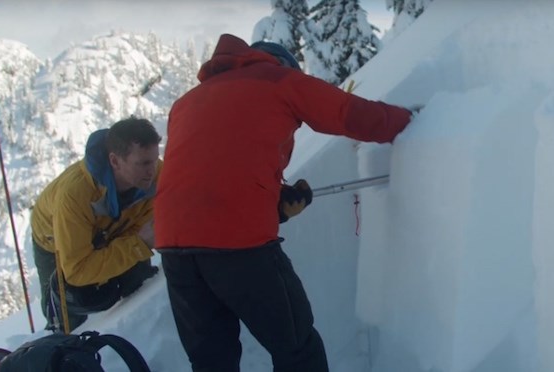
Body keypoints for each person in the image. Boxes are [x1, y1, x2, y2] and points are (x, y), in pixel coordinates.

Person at [155, 34, 414, 372]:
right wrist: (408, 121)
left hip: (174, 245)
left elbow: (213, 169)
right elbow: (349, 114)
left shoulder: (186, 102)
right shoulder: (278, 80)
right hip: (238, 244)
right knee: (296, 348)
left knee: (211, 358)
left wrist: (275, 205)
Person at [31, 117, 163, 332]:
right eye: (143, 163)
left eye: (154, 160)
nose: (152, 170)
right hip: (54, 241)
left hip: (117, 229)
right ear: (115, 161)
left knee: (138, 283)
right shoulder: (75, 195)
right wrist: (139, 244)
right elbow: (77, 270)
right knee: (68, 310)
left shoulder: (155, 175)